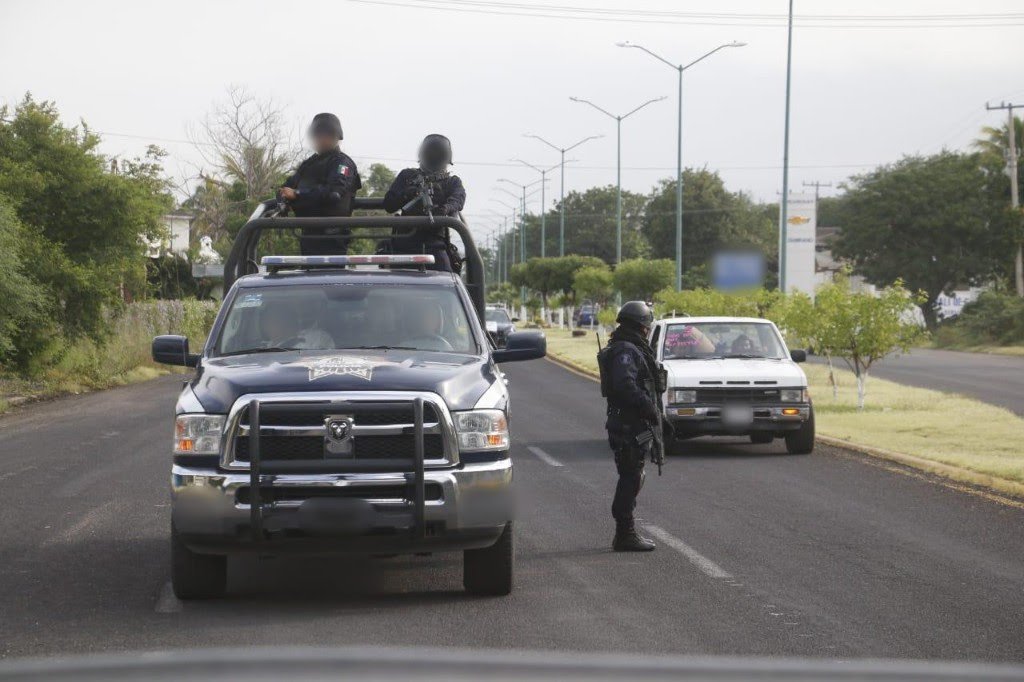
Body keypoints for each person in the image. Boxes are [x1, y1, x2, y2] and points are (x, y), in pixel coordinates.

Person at [599, 301, 665, 552]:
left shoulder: (630, 347)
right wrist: (647, 406)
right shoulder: (625, 351)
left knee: (636, 473)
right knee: (630, 476)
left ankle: (625, 532)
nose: (647, 332)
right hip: (627, 426)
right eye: (646, 328)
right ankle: (624, 534)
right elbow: (625, 385)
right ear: (641, 327)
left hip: (636, 425)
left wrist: (659, 420)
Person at [279, 113, 362, 255]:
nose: (321, 139)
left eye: (326, 135)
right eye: (317, 135)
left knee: (328, 269)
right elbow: (287, 187)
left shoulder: (342, 163)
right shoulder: (310, 163)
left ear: (336, 137)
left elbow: (334, 193)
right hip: (308, 233)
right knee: (308, 269)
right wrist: (283, 199)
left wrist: (298, 194)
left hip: (332, 236)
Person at [382, 134, 466, 272]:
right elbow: (389, 204)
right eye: (431, 153)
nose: (434, 157)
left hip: (435, 244)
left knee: (447, 277)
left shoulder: (452, 182)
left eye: (438, 154)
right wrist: (407, 194)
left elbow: (458, 199)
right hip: (404, 242)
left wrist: (445, 208)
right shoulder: (407, 176)